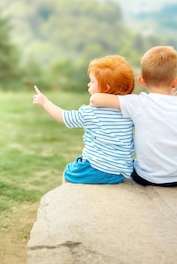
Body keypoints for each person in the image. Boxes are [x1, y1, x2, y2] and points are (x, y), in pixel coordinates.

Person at [90, 46, 177, 191]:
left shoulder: (138, 103)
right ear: (175, 82)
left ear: (141, 80)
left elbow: (96, 99)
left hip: (149, 178)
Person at [32, 55, 135, 184]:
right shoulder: (130, 110)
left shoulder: (91, 112)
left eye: (92, 81)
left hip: (97, 169)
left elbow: (63, 116)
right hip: (121, 171)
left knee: (68, 173)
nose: (88, 84)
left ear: (106, 88)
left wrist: (45, 102)